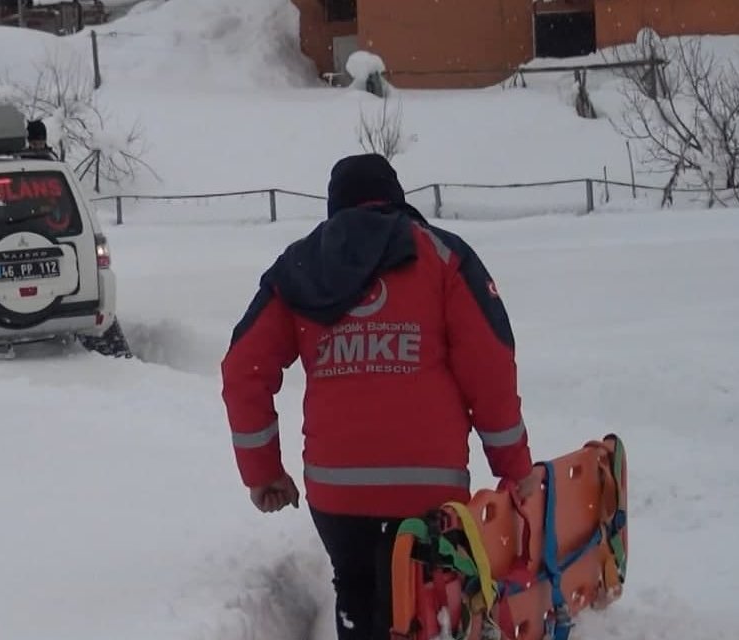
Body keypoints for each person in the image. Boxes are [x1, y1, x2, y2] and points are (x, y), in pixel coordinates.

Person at [220, 153, 537, 640]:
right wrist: (514, 468)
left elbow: (244, 367)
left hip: (337, 492)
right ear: (395, 199)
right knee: (426, 602)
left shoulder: (300, 269)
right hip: (427, 489)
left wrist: (264, 472)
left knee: (357, 588)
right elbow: (489, 364)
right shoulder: (443, 258)